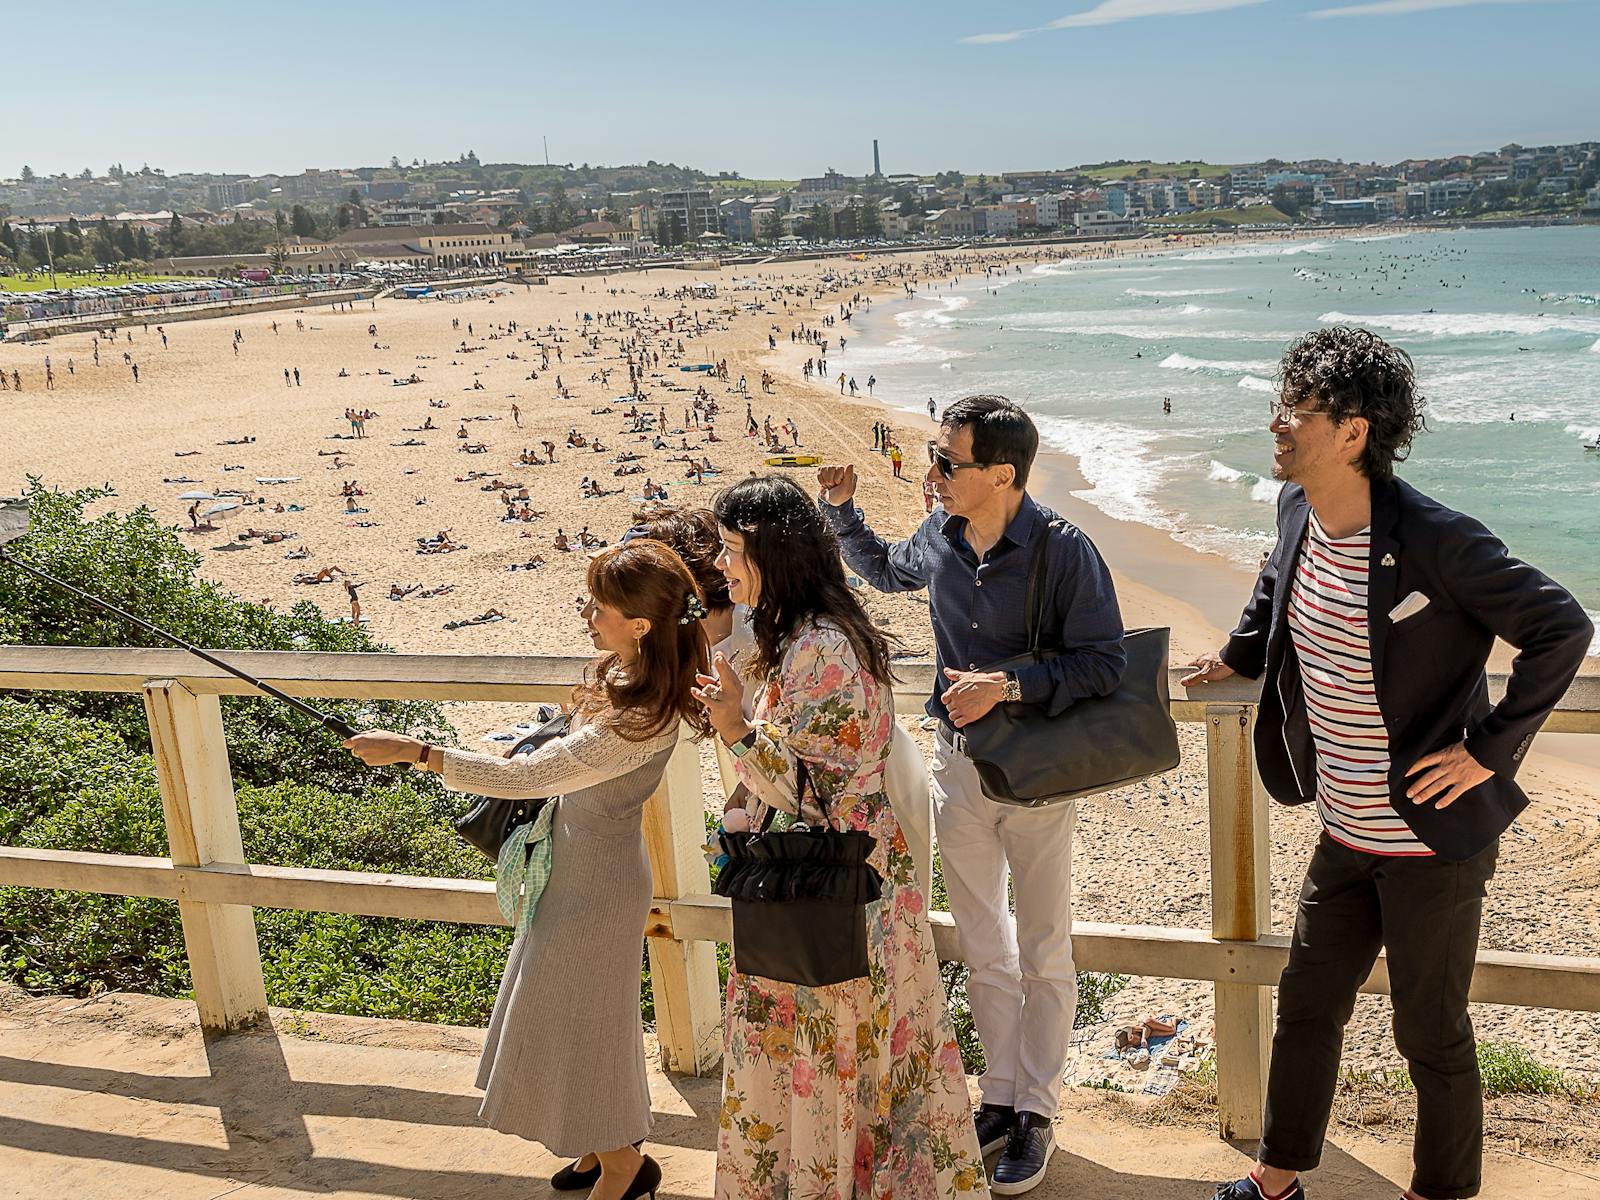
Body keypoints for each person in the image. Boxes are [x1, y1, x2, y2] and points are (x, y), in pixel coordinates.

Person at [1184, 328, 1592, 1200]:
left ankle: (1439, 1192)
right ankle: (1276, 1179)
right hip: (1343, 828)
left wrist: (1489, 752)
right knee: (1304, 1007)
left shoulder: (1439, 541)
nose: (1276, 425)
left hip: (1429, 844)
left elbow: (1563, 628)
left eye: (1296, 412)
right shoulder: (1297, 509)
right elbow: (1275, 580)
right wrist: (1241, 651)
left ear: (1354, 432)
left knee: (1430, 1033)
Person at [817, 395, 1126, 1195]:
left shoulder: (1064, 550)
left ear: (1003, 473)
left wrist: (1009, 684)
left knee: (1046, 945)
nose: (933, 474)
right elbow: (885, 570)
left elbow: (1104, 665)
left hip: (1038, 776)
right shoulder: (943, 535)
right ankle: (999, 1096)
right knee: (983, 940)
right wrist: (843, 512)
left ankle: (1040, 1111)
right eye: (935, 454)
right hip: (959, 767)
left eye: (947, 463)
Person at [343, 541, 714, 1200]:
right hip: (581, 870)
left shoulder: (640, 716)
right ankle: (611, 1146)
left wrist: (415, 751)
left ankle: (624, 1166)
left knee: (577, 1024)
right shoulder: (632, 677)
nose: (589, 614)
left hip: (595, 889)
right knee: (589, 1020)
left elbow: (526, 776)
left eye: (601, 605)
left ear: (642, 625)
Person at [699, 476, 987, 1200]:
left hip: (839, 885)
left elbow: (816, 792)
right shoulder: (801, 633)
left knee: (833, 1046)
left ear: (778, 556)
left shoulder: (820, 647)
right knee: (857, 1054)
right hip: (845, 879)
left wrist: (736, 727)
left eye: (734, 550)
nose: (723, 567)